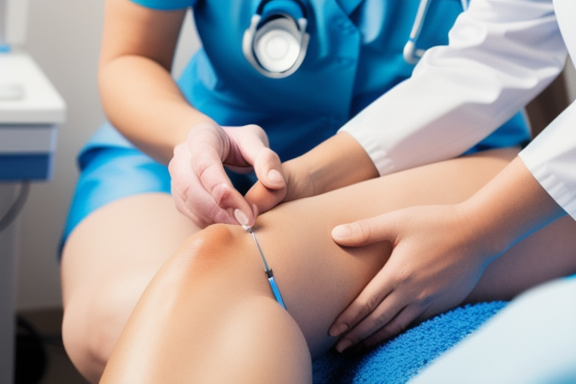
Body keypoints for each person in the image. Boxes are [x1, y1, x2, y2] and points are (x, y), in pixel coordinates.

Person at [60, 0, 575, 382]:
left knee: (211, 288)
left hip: (448, 155)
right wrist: (307, 175)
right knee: (129, 313)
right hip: (228, 142)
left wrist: (480, 228)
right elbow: (497, 55)